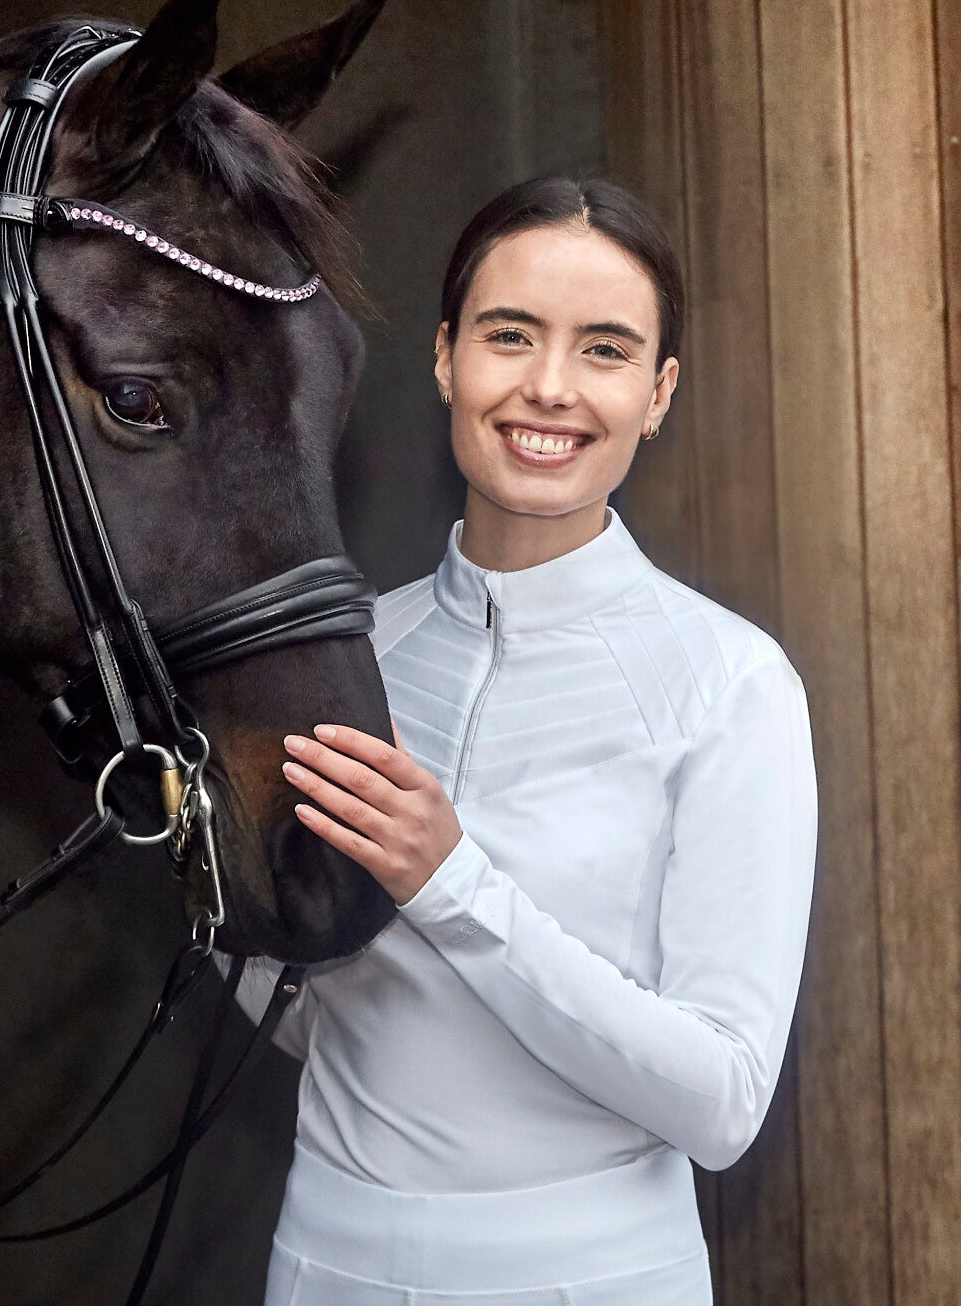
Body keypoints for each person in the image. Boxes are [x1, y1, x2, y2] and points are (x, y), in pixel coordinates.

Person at [240, 175, 818, 1306]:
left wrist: (450, 882)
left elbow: (722, 1104)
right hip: (324, 1261)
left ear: (657, 394)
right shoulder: (350, 659)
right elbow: (325, 1020)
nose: (548, 386)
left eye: (604, 350)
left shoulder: (729, 684)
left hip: (594, 1276)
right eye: (509, 334)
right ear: (445, 357)